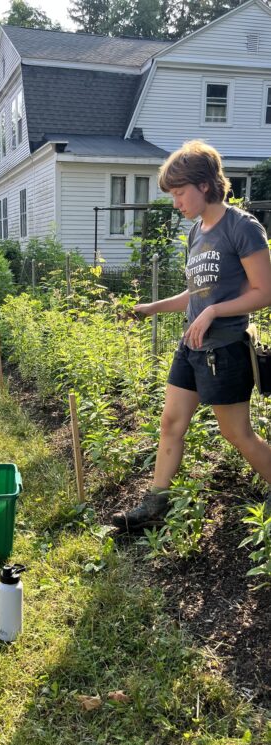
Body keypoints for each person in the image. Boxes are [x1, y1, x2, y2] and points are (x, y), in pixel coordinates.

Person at [112, 139, 271, 532]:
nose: (176, 202)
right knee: (171, 424)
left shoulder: (242, 227)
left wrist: (215, 311)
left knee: (237, 434)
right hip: (192, 346)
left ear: (204, 185)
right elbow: (195, 295)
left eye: (180, 193)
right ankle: (154, 506)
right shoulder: (196, 233)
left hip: (227, 349)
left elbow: (264, 292)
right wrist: (151, 307)